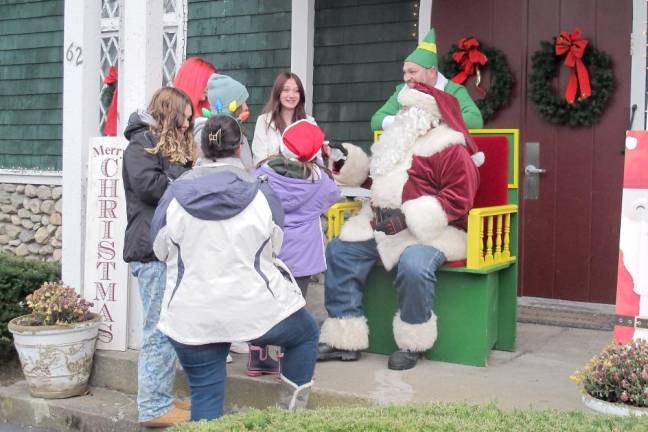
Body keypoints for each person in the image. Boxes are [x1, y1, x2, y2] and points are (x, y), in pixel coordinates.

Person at [151, 114, 320, 420]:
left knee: (205, 396)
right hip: (255, 309)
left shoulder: (172, 196)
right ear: (240, 149)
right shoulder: (263, 193)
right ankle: (291, 418)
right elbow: (275, 246)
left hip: (192, 314)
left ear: (200, 148)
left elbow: (159, 249)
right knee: (306, 333)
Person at [318, 83, 480, 371]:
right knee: (340, 251)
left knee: (415, 265)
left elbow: (459, 199)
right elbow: (373, 182)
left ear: (426, 114)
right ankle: (345, 338)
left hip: (432, 232)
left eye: (406, 108)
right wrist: (347, 161)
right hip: (382, 224)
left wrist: (407, 218)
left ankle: (412, 342)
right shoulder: (396, 143)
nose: (400, 113)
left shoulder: (450, 148)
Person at [122, 87, 195, 427]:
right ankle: (153, 408)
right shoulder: (140, 144)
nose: (188, 123)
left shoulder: (164, 146)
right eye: (185, 116)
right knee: (158, 331)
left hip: (165, 251)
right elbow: (151, 187)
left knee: (168, 328)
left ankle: (160, 399)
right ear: (170, 111)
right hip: (149, 250)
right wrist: (184, 177)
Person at [256, 119, 341, 298]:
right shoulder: (321, 181)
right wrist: (319, 162)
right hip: (303, 257)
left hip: (269, 250)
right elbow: (334, 194)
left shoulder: (261, 174)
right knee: (297, 304)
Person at [370, 28, 483, 132]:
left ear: (431, 72)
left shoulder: (453, 90)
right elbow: (376, 121)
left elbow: (475, 120)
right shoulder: (401, 91)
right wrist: (404, 120)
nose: (406, 78)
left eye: (412, 72)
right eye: (405, 72)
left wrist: (433, 120)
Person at [193, 73, 254, 171]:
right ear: (231, 105)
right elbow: (249, 170)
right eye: (242, 102)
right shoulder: (237, 135)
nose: (246, 107)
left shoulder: (200, 134)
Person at [252, 72, 314, 166]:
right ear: (278, 92)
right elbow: (259, 160)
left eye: (296, 91)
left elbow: (316, 160)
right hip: (272, 178)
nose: (291, 95)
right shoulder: (263, 121)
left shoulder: (309, 122)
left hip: (302, 179)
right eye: (286, 90)